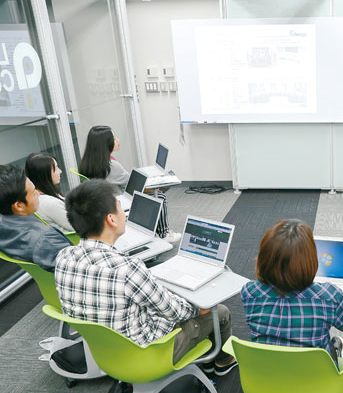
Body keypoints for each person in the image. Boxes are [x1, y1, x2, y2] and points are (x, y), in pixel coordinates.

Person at [55, 179, 237, 374]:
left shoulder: (64, 257)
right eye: (121, 210)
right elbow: (176, 312)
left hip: (103, 352)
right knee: (220, 311)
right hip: (145, 357)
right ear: (111, 219)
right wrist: (198, 307)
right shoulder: (128, 269)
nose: (125, 215)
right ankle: (223, 362)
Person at [241, 219, 343, 362]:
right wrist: (342, 302)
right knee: (330, 344)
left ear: (263, 258)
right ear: (310, 260)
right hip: (315, 379)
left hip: (266, 376)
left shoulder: (249, 292)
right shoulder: (329, 296)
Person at [78, 125, 179, 243]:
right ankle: (163, 234)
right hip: (119, 201)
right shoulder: (111, 165)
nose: (118, 140)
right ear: (105, 143)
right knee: (160, 197)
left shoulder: (90, 162)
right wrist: (154, 187)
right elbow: (132, 186)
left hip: (104, 201)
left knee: (155, 192)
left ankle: (156, 232)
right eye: (114, 138)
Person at [0, 164, 72, 272]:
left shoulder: (4, 225)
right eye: (34, 193)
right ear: (19, 206)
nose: (38, 194)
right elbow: (81, 274)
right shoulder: (46, 239)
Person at [25, 152, 73, 233]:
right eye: (56, 168)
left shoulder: (39, 196)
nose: (60, 171)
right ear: (44, 174)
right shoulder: (48, 203)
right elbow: (79, 226)